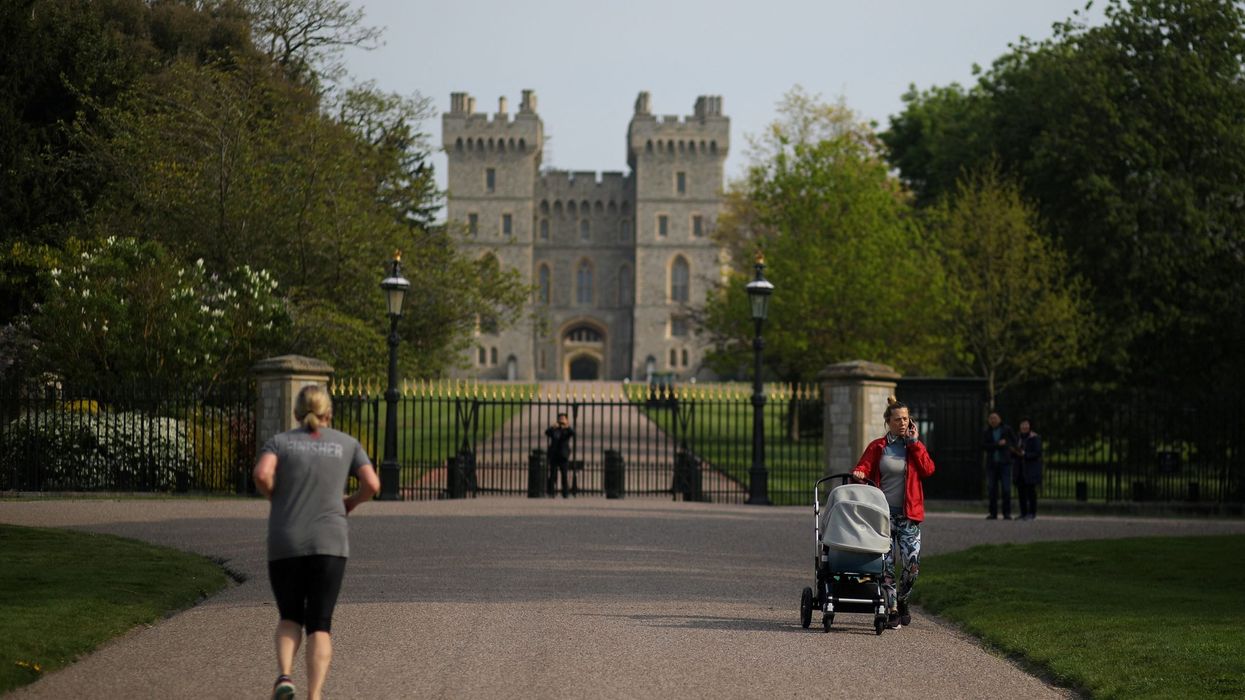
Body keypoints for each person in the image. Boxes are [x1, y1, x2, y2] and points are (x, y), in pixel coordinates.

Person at [252, 385, 380, 700]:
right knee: (320, 623)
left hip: (287, 540)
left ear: (296, 412)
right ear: (328, 412)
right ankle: (315, 695)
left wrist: (278, 497)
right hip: (330, 542)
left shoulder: (280, 442)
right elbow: (372, 483)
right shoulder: (347, 444)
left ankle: (284, 676)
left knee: (290, 616)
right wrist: (349, 503)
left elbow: (262, 473)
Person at [851, 397, 935, 629]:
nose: (902, 423)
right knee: (885, 566)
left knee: (912, 564)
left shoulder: (914, 445)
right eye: (897, 419)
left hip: (909, 517)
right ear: (888, 421)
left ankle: (903, 599)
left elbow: (928, 469)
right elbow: (863, 467)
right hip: (882, 517)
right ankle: (892, 610)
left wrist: (915, 443)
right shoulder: (878, 446)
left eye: (905, 419)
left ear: (911, 421)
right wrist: (859, 472)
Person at [981, 411, 1018, 520]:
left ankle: (1007, 513)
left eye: (995, 418)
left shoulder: (1006, 430)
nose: (993, 420)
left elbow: (1014, 442)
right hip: (992, 464)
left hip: (1005, 463)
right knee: (992, 489)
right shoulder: (987, 432)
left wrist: (1007, 447)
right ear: (988, 420)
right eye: (991, 418)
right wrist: (997, 444)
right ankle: (993, 513)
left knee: (1006, 489)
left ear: (1000, 419)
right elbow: (983, 446)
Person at [1013, 418, 1043, 520]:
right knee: (1021, 492)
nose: (1024, 427)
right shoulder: (1018, 438)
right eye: (1022, 425)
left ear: (1029, 426)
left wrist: (1025, 454)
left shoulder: (1035, 437)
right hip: (1020, 468)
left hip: (1030, 468)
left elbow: (1038, 453)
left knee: (1031, 492)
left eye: (1026, 425)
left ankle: (1032, 513)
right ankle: (1023, 512)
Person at [545, 412, 575, 498]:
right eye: (560, 419)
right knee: (552, 474)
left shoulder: (567, 430)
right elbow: (547, 432)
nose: (561, 421)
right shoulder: (555, 429)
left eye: (563, 419)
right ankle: (551, 492)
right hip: (554, 455)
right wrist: (553, 427)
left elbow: (573, 433)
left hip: (563, 455)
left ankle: (565, 493)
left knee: (564, 475)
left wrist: (567, 426)